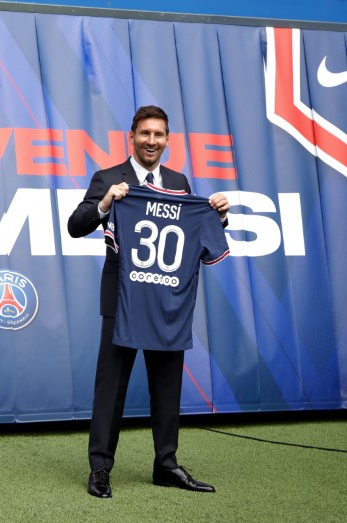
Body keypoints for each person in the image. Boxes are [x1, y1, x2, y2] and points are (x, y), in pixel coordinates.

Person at [67, 105, 230, 498]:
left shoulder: (179, 181)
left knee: (167, 385)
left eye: (159, 135)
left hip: (166, 301)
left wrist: (219, 216)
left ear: (168, 140)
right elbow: (76, 225)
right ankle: (100, 469)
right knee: (111, 387)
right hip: (122, 300)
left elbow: (194, 233)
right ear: (132, 137)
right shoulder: (108, 178)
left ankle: (166, 465)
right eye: (145, 134)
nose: (151, 141)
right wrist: (106, 202)